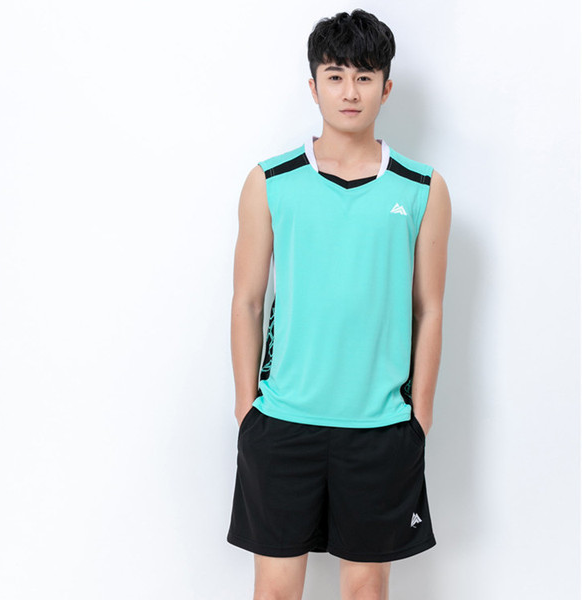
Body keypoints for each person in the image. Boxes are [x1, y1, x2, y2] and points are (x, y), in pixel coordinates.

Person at [226, 9, 451, 600]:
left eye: (364, 76)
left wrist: (419, 417)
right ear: (314, 86)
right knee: (275, 592)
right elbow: (247, 301)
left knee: (365, 593)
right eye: (335, 76)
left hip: (380, 428)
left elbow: (429, 309)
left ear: (386, 87)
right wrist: (247, 408)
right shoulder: (270, 181)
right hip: (283, 423)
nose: (350, 92)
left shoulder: (422, 188)